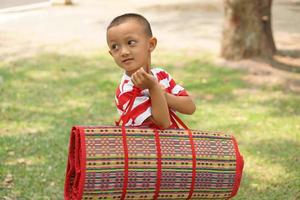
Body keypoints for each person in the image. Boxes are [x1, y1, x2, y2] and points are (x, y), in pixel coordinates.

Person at [106, 13, 196, 129]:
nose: (123, 52)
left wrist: (163, 94)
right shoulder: (126, 91)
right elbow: (162, 124)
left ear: (151, 44)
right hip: (143, 146)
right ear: (111, 54)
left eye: (130, 43)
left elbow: (190, 108)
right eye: (115, 47)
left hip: (172, 145)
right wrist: (154, 87)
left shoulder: (161, 75)